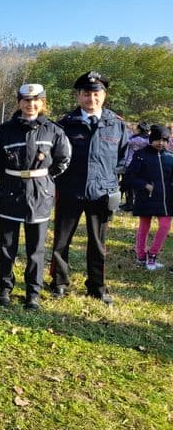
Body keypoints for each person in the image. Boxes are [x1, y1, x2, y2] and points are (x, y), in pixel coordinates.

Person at [49, 71, 129, 305]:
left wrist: (111, 183)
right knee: (61, 241)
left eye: (96, 94)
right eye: (86, 94)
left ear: (103, 95)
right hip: (70, 190)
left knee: (97, 243)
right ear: (78, 96)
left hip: (101, 193)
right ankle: (59, 283)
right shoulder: (65, 124)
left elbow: (123, 157)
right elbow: (56, 156)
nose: (91, 99)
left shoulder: (116, 125)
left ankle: (97, 285)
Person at [0, 84, 71, 310]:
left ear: (42, 102)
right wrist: (12, 178)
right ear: (19, 102)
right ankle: (4, 288)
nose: (30, 104)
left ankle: (33, 292)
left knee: (36, 248)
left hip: (40, 194)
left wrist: (42, 180)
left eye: (35, 100)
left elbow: (63, 160)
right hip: (10, 192)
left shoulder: (53, 130)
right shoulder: (5, 131)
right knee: (6, 245)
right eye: (25, 100)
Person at [123, 124, 173, 270]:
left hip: (166, 200)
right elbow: (130, 176)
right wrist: (144, 185)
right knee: (144, 226)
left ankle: (152, 254)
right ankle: (140, 255)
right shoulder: (141, 155)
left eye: (164, 140)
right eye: (158, 139)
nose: (161, 143)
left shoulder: (170, 157)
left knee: (165, 226)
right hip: (146, 197)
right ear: (151, 139)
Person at [120, 122, 150, 211]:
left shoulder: (134, 140)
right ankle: (139, 203)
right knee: (140, 185)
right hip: (144, 164)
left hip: (130, 164)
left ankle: (129, 204)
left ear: (139, 130)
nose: (135, 130)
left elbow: (124, 142)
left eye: (136, 128)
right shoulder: (149, 140)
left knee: (129, 185)